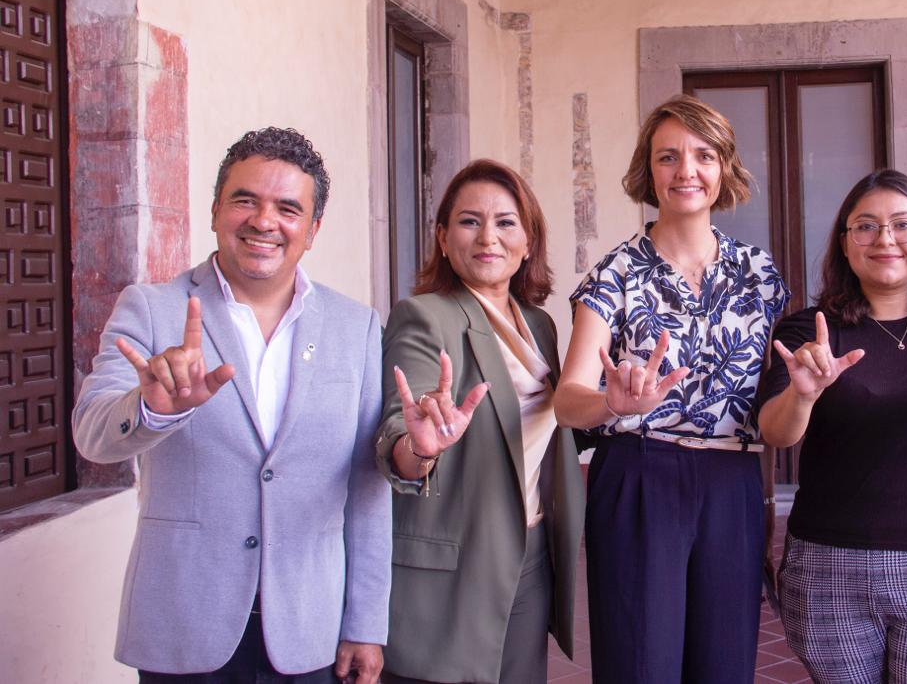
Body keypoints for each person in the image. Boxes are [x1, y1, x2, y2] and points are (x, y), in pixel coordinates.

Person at [72, 127, 390, 683]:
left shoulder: (355, 326)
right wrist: (154, 408)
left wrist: (366, 622)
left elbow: (366, 487)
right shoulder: (152, 309)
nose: (264, 221)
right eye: (245, 200)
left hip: (308, 625)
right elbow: (92, 435)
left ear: (313, 230)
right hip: (183, 622)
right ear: (216, 210)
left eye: (288, 209)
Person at [553, 94, 789, 683]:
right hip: (640, 474)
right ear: (648, 170)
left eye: (704, 155)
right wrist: (612, 402)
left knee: (725, 665)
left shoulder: (760, 275)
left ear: (724, 168)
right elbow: (567, 399)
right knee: (640, 664)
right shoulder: (616, 273)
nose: (687, 170)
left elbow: (769, 404)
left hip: (732, 481)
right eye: (668, 156)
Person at [757, 169, 907, 683]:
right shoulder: (810, 330)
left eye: (902, 224)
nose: (885, 239)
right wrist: (804, 394)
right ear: (845, 243)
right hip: (828, 568)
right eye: (866, 226)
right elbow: (776, 433)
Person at [375, 159, 585, 684]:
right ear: (443, 239)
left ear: (528, 242)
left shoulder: (538, 324)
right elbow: (401, 430)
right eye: (469, 221)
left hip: (530, 550)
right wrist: (421, 447)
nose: (488, 237)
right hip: (458, 561)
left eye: (505, 222)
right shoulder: (424, 316)